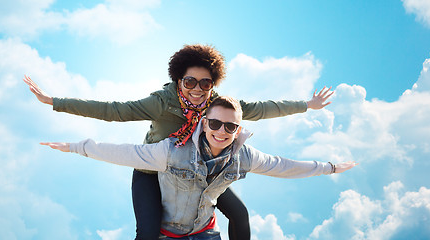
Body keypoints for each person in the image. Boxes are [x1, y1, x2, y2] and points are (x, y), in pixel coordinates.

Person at [24, 44, 334, 240]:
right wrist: (54, 101)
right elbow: (112, 111)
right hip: (154, 169)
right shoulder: (161, 102)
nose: (197, 89)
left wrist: (307, 105)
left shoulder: (217, 105)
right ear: (178, 81)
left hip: (197, 170)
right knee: (147, 233)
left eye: (205, 83)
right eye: (190, 82)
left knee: (240, 215)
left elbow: (261, 108)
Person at [41, 96, 357, 239]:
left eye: (230, 127)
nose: (222, 131)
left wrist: (329, 167)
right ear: (204, 123)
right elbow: (123, 151)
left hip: (205, 234)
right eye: (215, 124)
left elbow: (283, 166)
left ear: (238, 129)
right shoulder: (171, 151)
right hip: (167, 233)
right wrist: (75, 147)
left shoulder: (243, 155)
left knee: (240, 213)